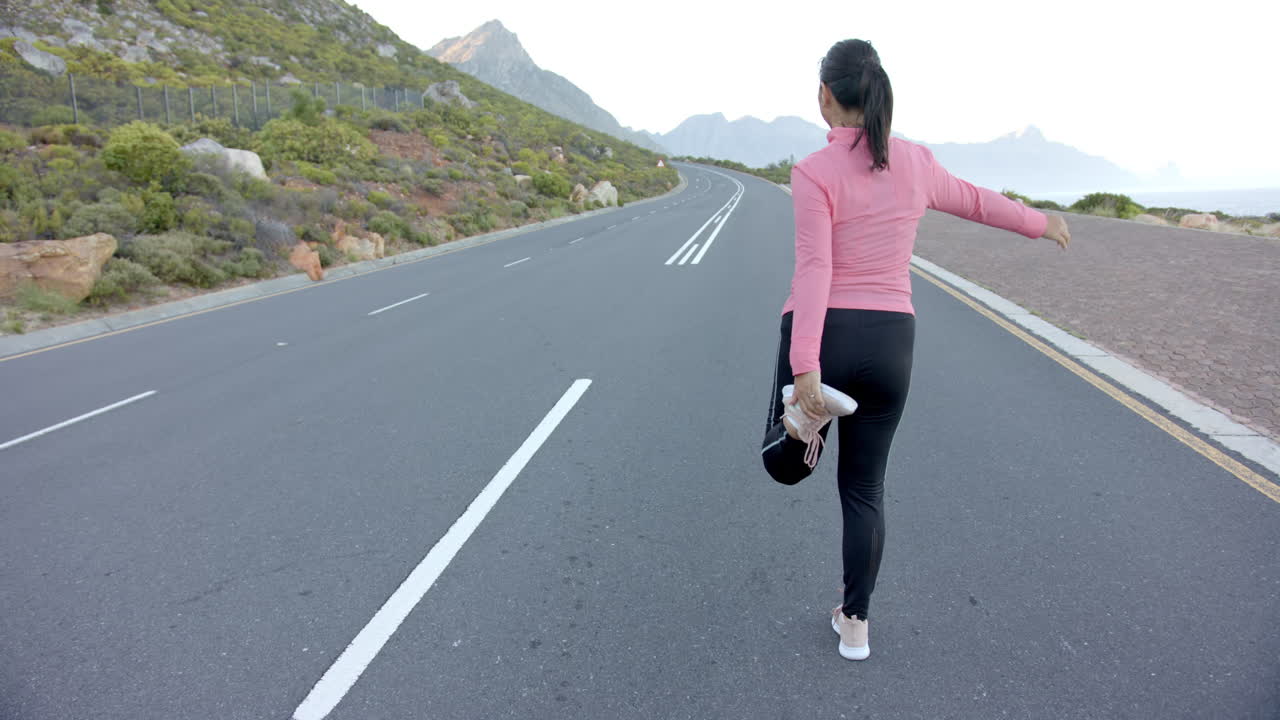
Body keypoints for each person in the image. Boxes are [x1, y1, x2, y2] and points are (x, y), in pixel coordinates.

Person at [760, 38, 1071, 662]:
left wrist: (807, 368)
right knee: (865, 488)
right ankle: (855, 624)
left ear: (825, 97)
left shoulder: (812, 173)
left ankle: (801, 417)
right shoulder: (917, 164)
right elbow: (980, 203)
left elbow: (817, 269)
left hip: (824, 338)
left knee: (782, 451)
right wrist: (1040, 222)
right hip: (890, 344)